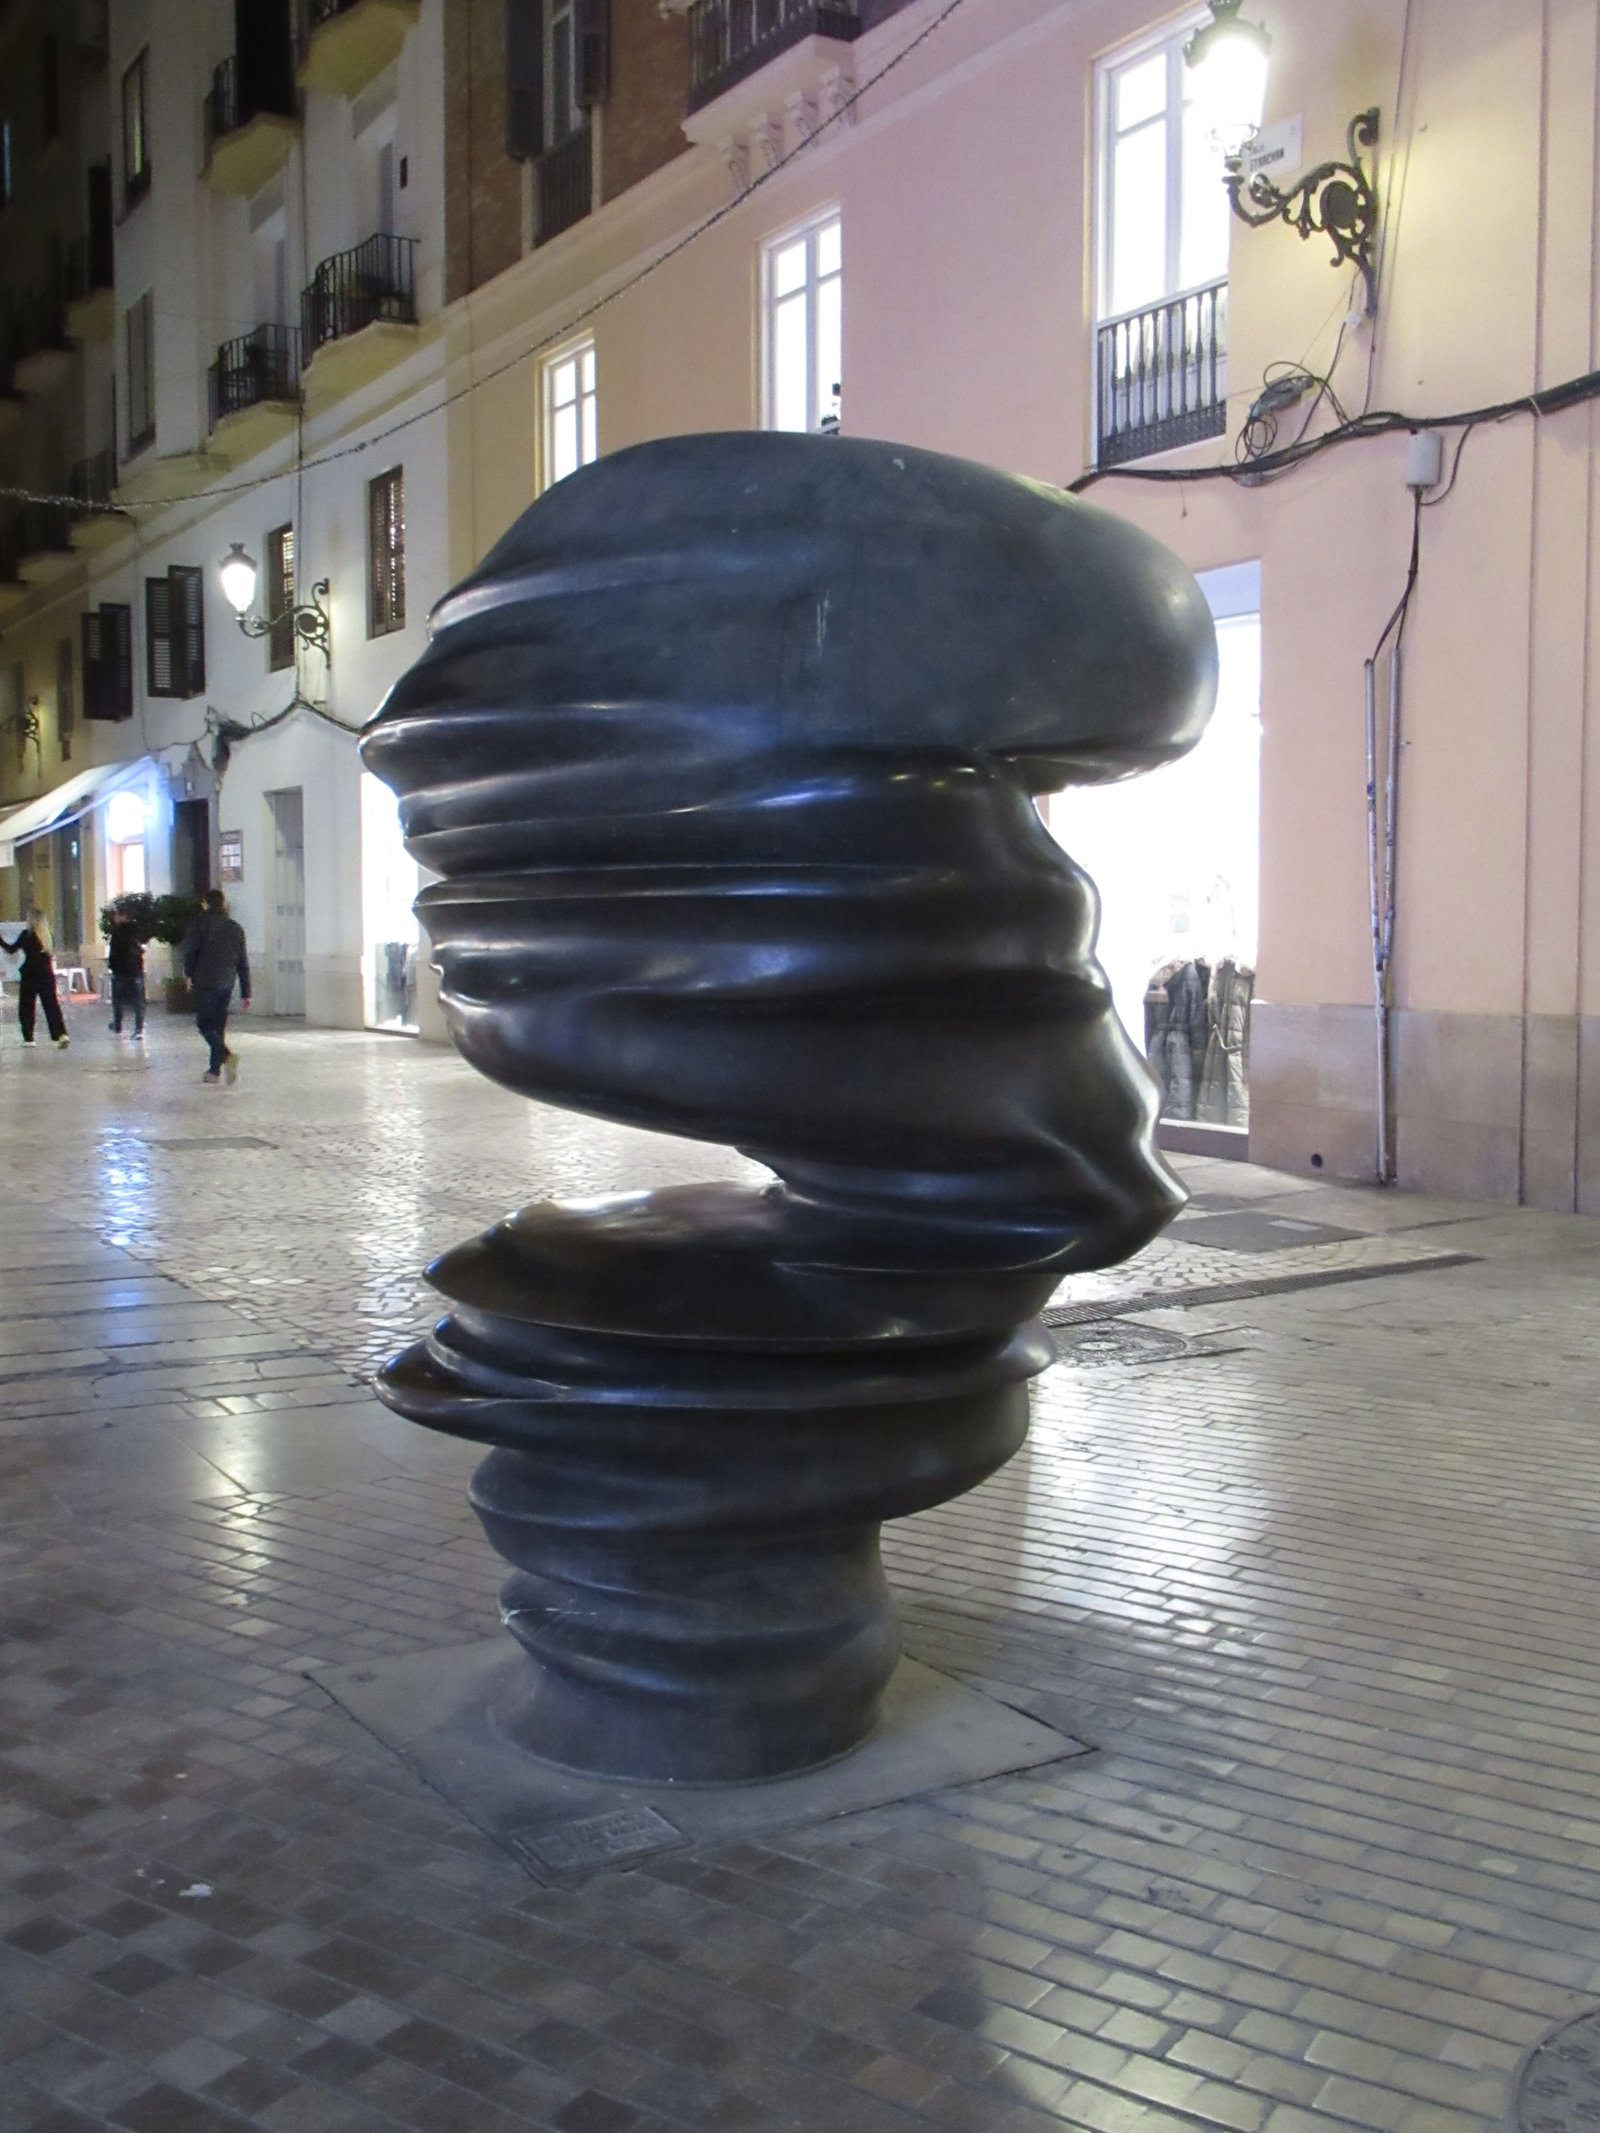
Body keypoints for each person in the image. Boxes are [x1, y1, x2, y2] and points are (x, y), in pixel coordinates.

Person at [180, 889, 251, 1084]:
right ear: (223, 903)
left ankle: (227, 1056)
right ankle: (214, 1072)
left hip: (205, 980)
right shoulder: (235, 928)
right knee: (218, 1026)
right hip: (227, 982)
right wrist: (246, 991)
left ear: (205, 903)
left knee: (204, 1024)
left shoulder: (198, 924)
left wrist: (188, 974)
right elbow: (243, 961)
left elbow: (190, 952)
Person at [0, 909, 69, 1048]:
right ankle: (61, 1035)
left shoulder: (27, 935)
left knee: (26, 1006)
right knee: (51, 1006)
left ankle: (29, 1038)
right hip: (47, 975)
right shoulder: (48, 937)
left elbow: (11, 950)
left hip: (30, 974)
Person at [106, 900, 146, 1039]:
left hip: (121, 970)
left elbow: (114, 952)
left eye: (116, 915)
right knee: (138, 1001)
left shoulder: (117, 932)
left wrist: (111, 966)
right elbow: (141, 949)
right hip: (136, 970)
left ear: (122, 916)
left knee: (118, 1000)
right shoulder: (138, 931)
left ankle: (118, 1025)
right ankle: (139, 1029)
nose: (114, 918)